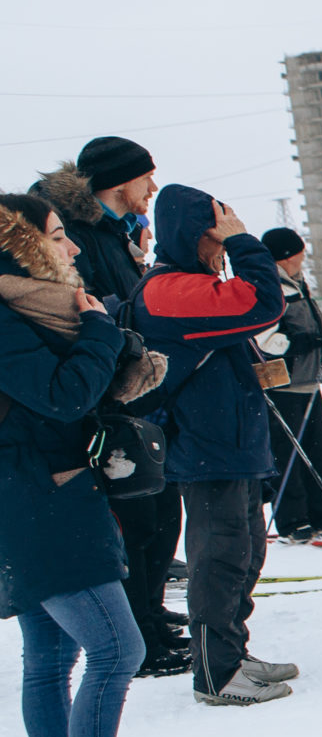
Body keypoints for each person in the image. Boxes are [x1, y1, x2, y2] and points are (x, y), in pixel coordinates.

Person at [0, 192, 175, 737]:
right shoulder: (9, 315)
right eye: (57, 236)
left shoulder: (30, 311)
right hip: (40, 498)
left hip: (36, 491)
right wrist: (101, 333)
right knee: (116, 648)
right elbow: (60, 394)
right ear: (24, 247)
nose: (72, 246)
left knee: (50, 653)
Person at [132, 186, 296, 707]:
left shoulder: (196, 282)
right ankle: (216, 672)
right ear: (190, 233)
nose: (222, 246)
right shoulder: (167, 288)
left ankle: (231, 652)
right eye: (215, 234)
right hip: (205, 448)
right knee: (219, 557)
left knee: (243, 553)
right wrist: (246, 240)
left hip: (230, 442)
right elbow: (262, 303)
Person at [34, 136, 188, 678]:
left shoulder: (113, 232)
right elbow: (84, 310)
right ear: (121, 181)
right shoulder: (74, 233)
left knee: (157, 509)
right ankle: (138, 634)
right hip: (98, 397)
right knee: (134, 518)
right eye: (147, 176)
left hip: (127, 387)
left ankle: (148, 613)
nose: (153, 187)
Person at [257, 227, 322, 542]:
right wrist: (313, 340)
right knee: (289, 457)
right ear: (285, 256)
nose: (303, 258)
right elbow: (266, 342)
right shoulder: (268, 288)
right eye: (299, 253)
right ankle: (293, 521)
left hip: (309, 384)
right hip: (281, 388)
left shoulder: (298, 285)